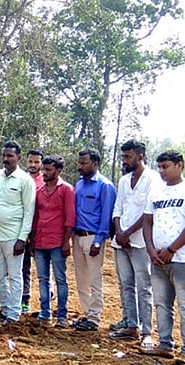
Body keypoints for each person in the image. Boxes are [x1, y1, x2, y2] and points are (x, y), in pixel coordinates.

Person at [140, 151, 185, 365]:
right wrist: (150, 248)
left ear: (179, 166)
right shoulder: (156, 192)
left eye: (165, 166)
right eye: (159, 167)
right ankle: (166, 345)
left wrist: (172, 249)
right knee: (161, 303)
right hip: (158, 258)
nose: (161, 171)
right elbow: (147, 222)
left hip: (183, 259)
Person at [109, 140, 160, 346]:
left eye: (127, 157)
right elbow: (117, 208)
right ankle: (131, 326)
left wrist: (128, 234)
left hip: (140, 242)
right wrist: (119, 232)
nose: (124, 160)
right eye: (123, 156)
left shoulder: (153, 179)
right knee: (125, 284)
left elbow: (149, 212)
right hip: (121, 242)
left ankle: (147, 331)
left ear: (140, 157)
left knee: (143, 286)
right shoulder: (124, 180)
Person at [0, 142, 35, 324]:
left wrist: (22, 238)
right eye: (4, 156)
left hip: (14, 236)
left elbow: (29, 211)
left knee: (15, 276)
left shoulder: (25, 180)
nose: (6, 159)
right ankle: (5, 308)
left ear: (18, 158)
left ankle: (14, 314)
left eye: (10, 156)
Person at [71, 149, 116, 331]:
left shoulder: (105, 186)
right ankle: (86, 314)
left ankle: (94, 317)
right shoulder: (79, 185)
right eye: (80, 163)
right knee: (81, 279)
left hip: (93, 238)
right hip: (78, 236)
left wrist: (98, 241)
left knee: (94, 279)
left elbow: (106, 216)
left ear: (95, 164)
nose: (80, 166)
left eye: (84, 163)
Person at [32, 155, 75, 328]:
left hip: (57, 241)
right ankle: (45, 313)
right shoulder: (40, 191)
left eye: (48, 170)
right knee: (43, 279)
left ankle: (62, 315)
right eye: (44, 169)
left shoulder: (66, 190)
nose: (44, 173)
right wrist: (32, 240)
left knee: (60, 279)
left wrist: (66, 242)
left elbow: (70, 218)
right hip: (41, 240)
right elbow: (36, 217)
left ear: (58, 171)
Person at [21, 148, 45, 314]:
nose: (33, 165)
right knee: (24, 266)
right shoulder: (22, 179)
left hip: (41, 230)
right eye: (30, 161)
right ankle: (25, 299)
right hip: (23, 229)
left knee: (44, 265)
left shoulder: (46, 181)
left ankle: (47, 298)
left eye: (36, 162)